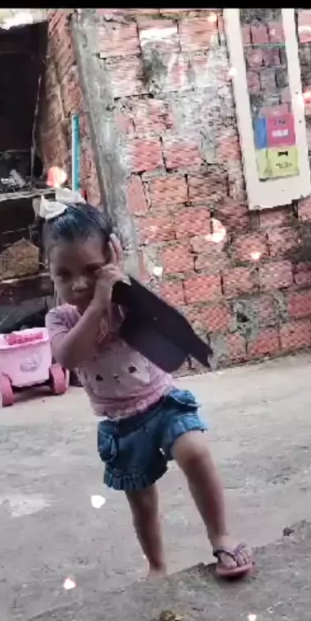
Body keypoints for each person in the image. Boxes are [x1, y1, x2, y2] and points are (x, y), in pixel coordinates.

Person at [42, 192, 255, 580]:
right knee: (142, 502)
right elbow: (68, 357)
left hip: (162, 402)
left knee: (196, 452)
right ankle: (157, 566)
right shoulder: (60, 319)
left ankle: (222, 536)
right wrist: (97, 305)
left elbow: (163, 322)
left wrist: (118, 282)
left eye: (91, 269)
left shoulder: (127, 299)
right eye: (64, 275)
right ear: (50, 272)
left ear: (111, 258)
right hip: (120, 424)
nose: (79, 284)